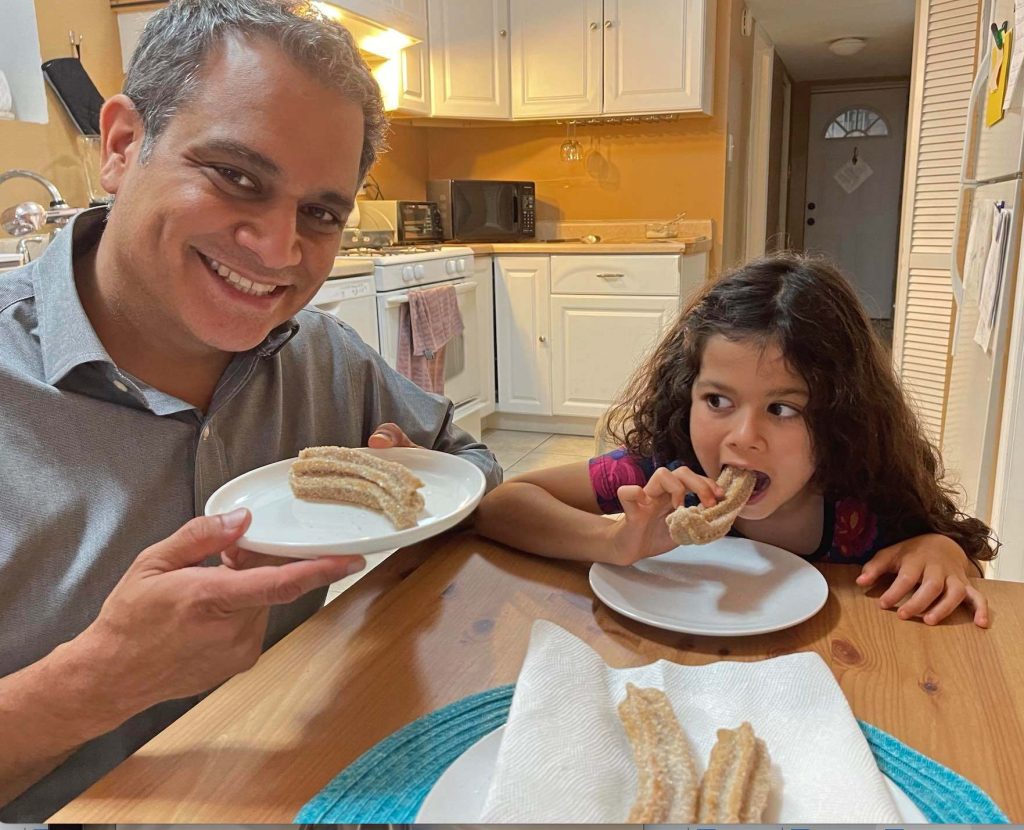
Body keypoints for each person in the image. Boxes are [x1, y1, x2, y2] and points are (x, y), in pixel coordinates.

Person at [0, 0, 499, 820]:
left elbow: (467, 468)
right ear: (122, 145)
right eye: (237, 177)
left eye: (321, 213)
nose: (278, 250)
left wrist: (404, 493)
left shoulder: (320, 356)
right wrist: (95, 682)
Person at [475, 254, 995, 628]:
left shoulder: (867, 502)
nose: (744, 439)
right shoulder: (669, 477)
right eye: (718, 401)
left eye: (783, 409)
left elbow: (961, 570)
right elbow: (501, 506)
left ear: (842, 413)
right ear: (688, 393)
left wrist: (944, 550)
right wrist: (615, 542)